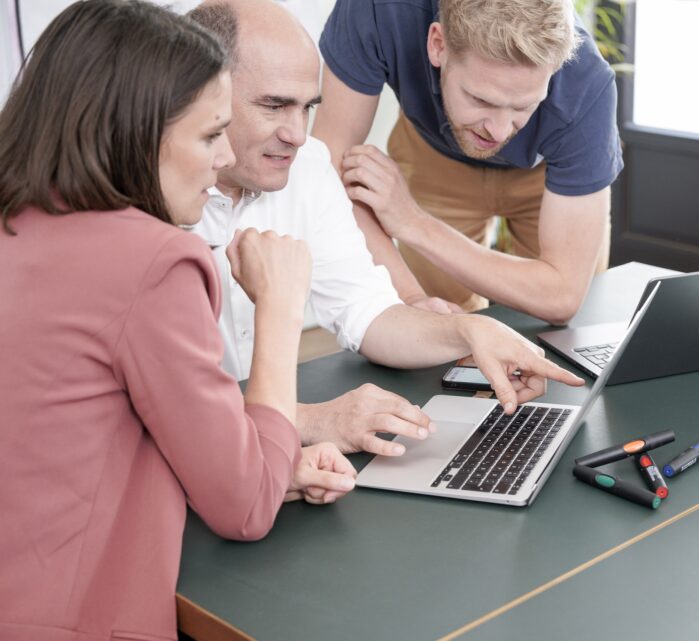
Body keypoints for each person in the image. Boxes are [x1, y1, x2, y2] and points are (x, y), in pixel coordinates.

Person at [0, 3, 354, 640]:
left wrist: (262, 460)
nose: (222, 160)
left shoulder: (19, 222)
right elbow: (244, 506)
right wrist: (278, 309)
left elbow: (73, 434)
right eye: (210, 134)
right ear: (136, 130)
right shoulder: (155, 261)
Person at [187, 0, 584, 458]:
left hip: (245, 452)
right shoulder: (140, 204)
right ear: (201, 92)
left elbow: (367, 312)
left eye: (308, 108)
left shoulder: (309, 167)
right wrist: (314, 420)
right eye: (275, 106)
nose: (297, 134)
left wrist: (470, 332)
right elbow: (160, 403)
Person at [313, 0, 623, 325]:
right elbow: (327, 169)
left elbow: (561, 296)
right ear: (438, 44)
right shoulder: (379, 9)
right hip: (432, 154)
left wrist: (414, 223)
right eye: (481, 99)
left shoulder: (587, 83)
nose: (501, 131)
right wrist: (411, 298)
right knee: (440, 331)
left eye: (524, 106)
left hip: (547, 174)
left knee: (567, 334)